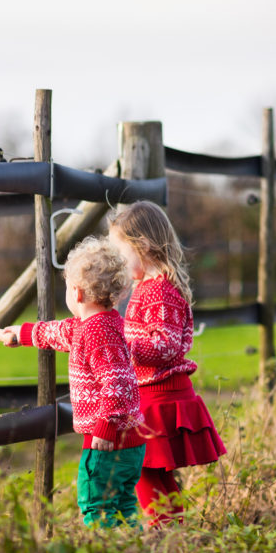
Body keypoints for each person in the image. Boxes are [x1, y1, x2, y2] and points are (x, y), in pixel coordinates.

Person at [0, 236, 144, 528]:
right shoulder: (99, 324)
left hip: (109, 440)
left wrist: (106, 426)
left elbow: (117, 383)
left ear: (75, 293)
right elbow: (57, 332)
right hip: (130, 442)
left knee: (96, 504)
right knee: (124, 504)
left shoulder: (97, 333)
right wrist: (20, 334)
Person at [107, 201, 227, 527]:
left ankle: (166, 535)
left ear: (143, 246)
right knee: (148, 473)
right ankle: (171, 533)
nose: (118, 263)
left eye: (121, 254)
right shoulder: (146, 287)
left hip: (161, 397)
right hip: (150, 395)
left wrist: (121, 343)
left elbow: (164, 345)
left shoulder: (159, 291)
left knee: (142, 470)